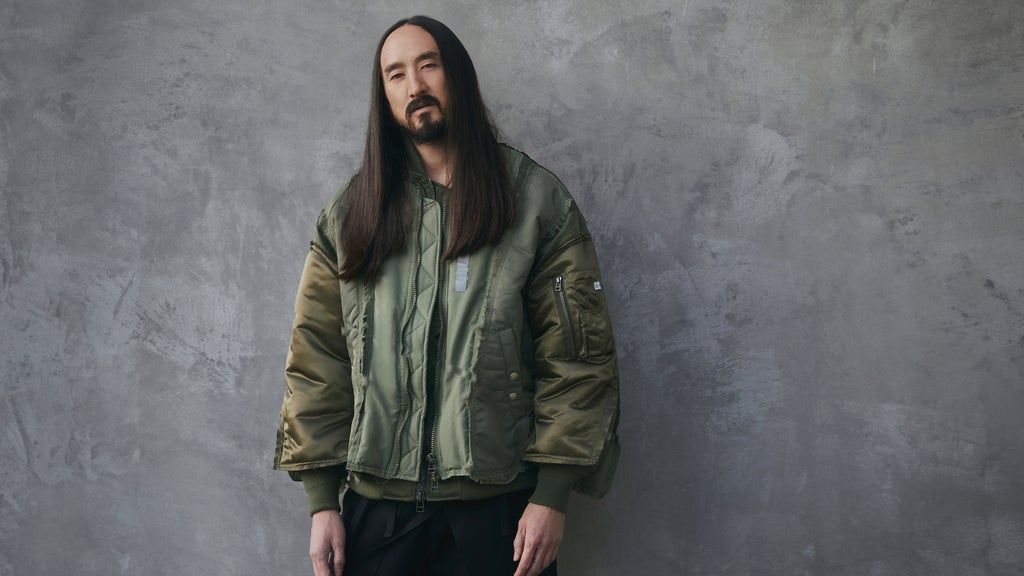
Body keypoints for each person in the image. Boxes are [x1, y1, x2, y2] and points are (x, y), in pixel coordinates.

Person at [272, 14, 621, 576]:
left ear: (456, 75)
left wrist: (553, 493)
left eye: (428, 65)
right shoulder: (350, 214)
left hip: (502, 514)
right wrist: (321, 501)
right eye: (396, 74)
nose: (415, 86)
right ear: (384, 96)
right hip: (376, 513)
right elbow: (317, 360)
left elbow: (578, 356)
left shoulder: (535, 201)